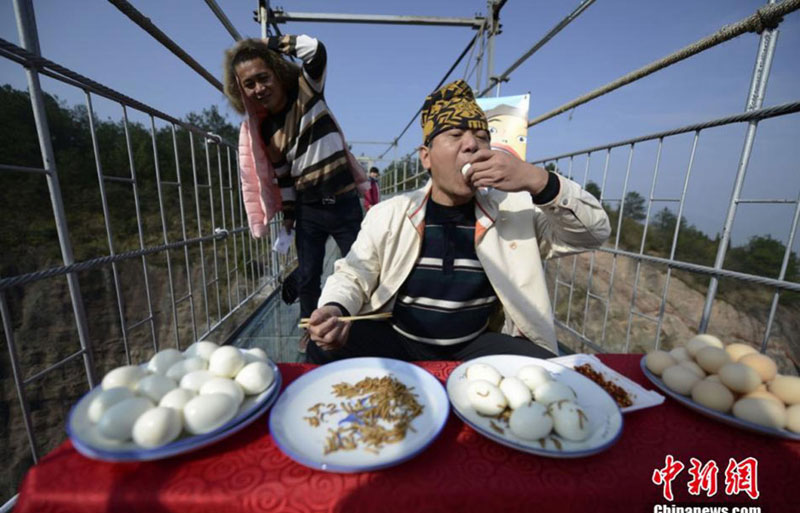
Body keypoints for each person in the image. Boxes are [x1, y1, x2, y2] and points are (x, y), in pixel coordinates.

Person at [305, 80, 611, 363]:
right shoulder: (390, 213)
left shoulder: (515, 212)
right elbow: (355, 273)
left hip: (475, 346)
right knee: (323, 348)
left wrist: (536, 179)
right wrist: (336, 308)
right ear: (426, 157)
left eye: (482, 138)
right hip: (400, 339)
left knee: (545, 369)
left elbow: (593, 233)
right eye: (455, 135)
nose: (472, 145)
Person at [223, 35, 372, 352]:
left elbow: (316, 50)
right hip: (309, 209)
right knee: (307, 275)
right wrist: (288, 218)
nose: (259, 88)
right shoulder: (265, 130)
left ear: (277, 72)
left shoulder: (308, 90)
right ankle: (311, 326)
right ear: (241, 91)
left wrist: (268, 43)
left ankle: (364, 324)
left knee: (361, 265)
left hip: (344, 203)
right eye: (249, 84)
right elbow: (283, 178)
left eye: (263, 77)